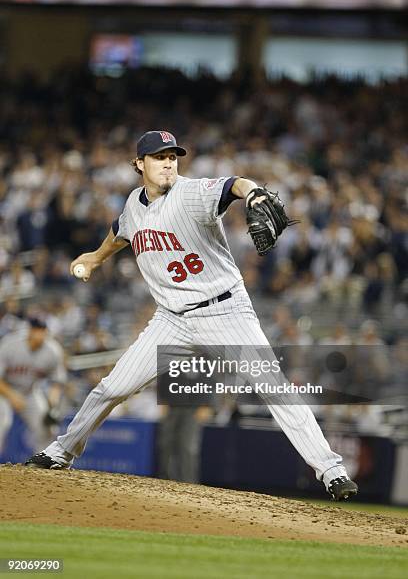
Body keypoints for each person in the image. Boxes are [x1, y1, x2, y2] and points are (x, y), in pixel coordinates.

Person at [25, 130, 358, 501]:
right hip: (171, 320)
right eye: (158, 156)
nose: (168, 162)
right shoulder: (134, 205)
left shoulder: (192, 193)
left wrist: (253, 193)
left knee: (274, 387)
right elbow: (120, 231)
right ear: (139, 164)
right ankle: (61, 451)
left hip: (225, 310)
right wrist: (95, 257)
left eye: (173, 156)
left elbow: (233, 184)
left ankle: (332, 471)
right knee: (112, 387)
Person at [0, 317, 66, 453]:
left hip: (29, 392)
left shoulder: (53, 350)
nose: (40, 334)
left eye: (43, 331)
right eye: (37, 330)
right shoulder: (10, 344)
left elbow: (57, 382)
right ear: (29, 331)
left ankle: (42, 465)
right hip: (4, 391)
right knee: (2, 420)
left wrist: (52, 406)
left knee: (47, 428)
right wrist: (12, 396)